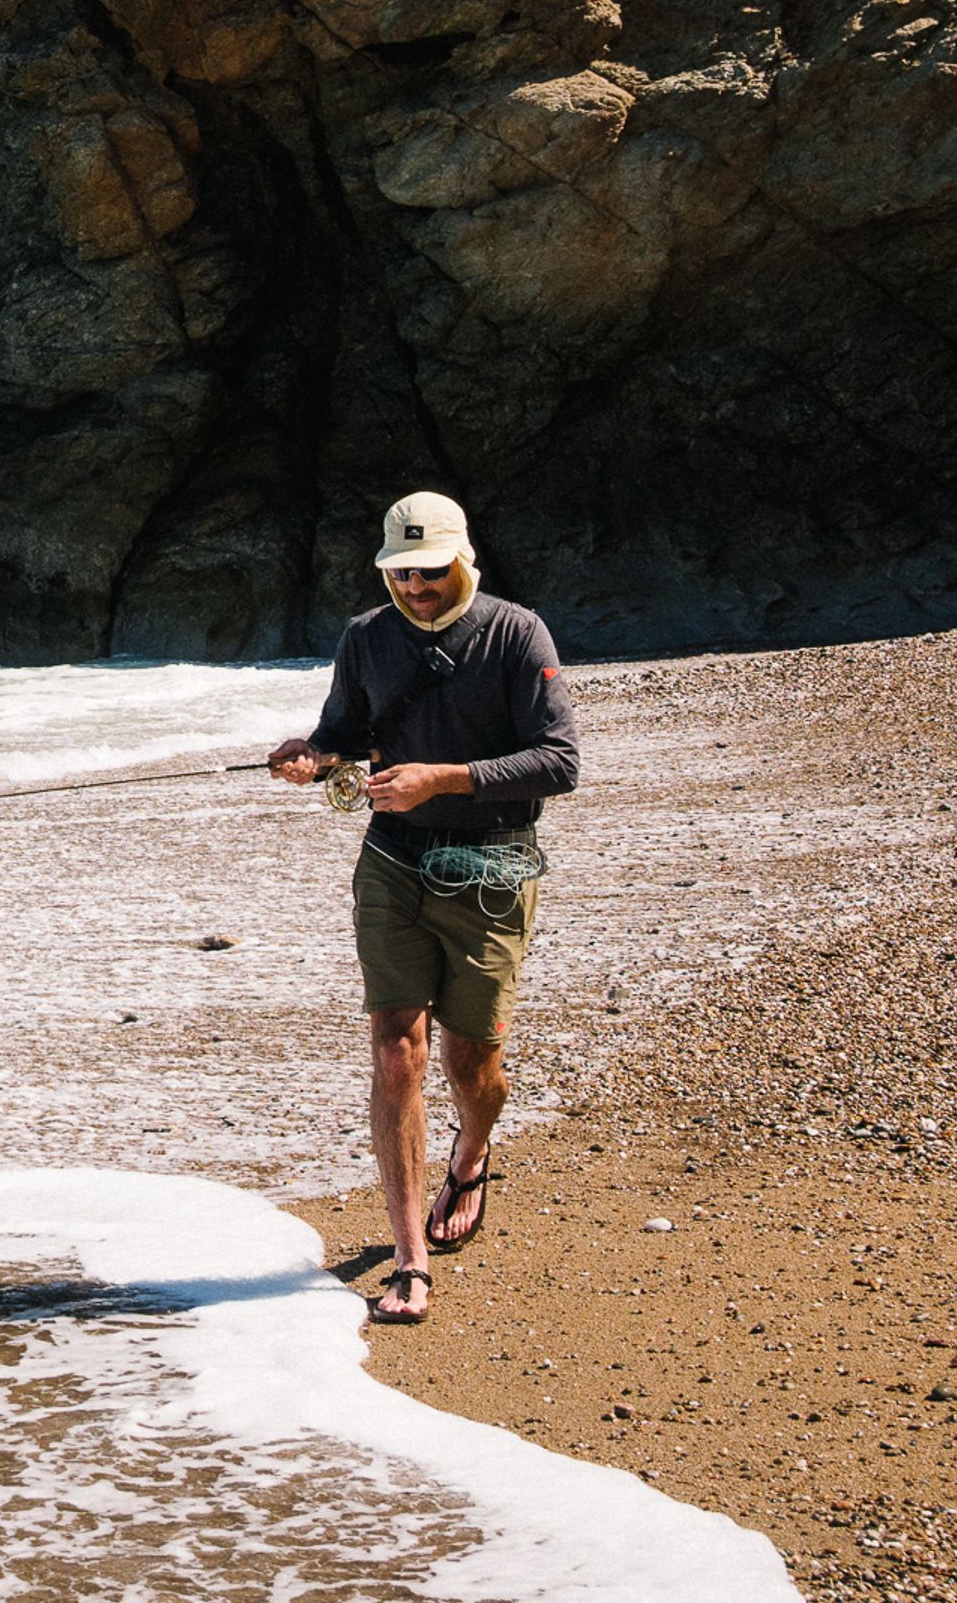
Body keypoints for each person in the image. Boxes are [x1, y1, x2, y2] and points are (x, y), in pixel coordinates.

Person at [268, 491, 578, 1325]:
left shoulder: (519, 635)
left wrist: (440, 778)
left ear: (463, 559)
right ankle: (409, 1261)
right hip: (391, 865)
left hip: (492, 870)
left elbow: (558, 762)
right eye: (401, 572)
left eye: (431, 571)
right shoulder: (366, 636)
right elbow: (343, 729)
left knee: (472, 1064)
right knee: (397, 1053)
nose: (416, 586)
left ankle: (472, 1151)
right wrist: (310, 755)